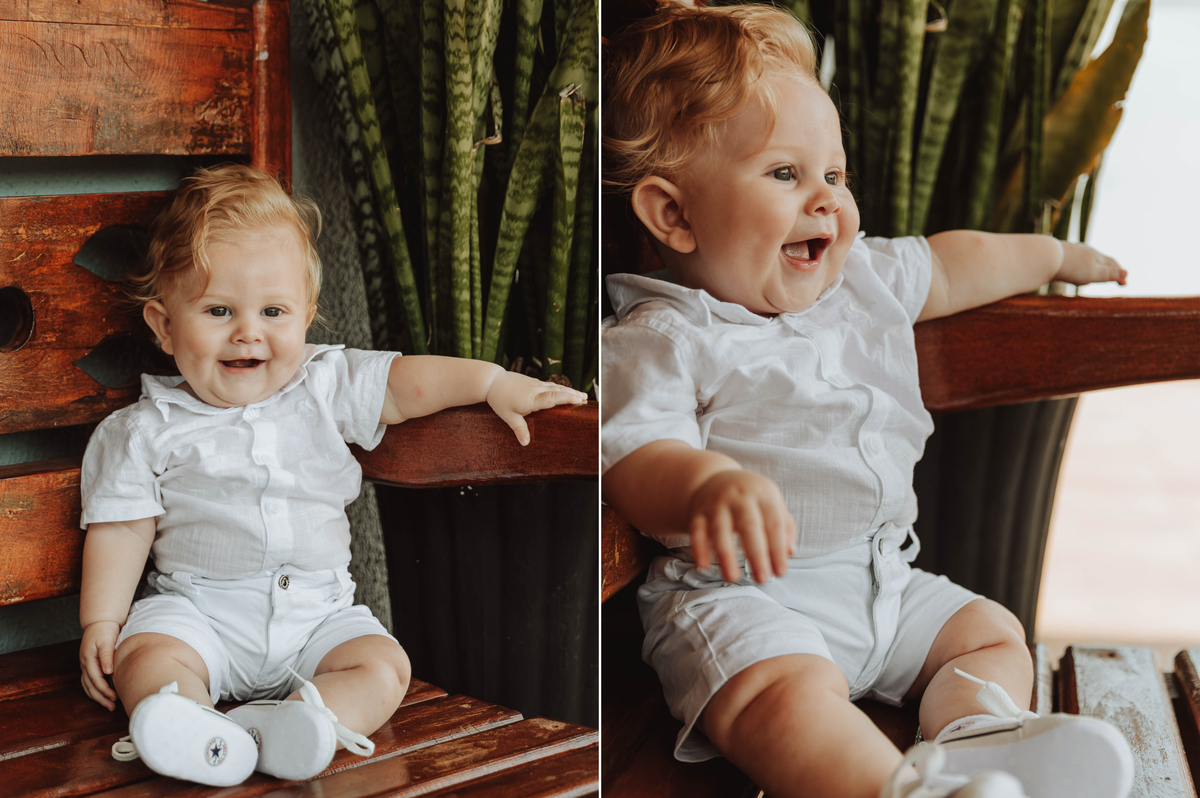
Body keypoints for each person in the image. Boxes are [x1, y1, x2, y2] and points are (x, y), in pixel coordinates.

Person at [601, 5, 1132, 798]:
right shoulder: (667, 334)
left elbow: (954, 266)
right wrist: (704, 483)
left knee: (990, 635)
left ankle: (973, 737)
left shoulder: (860, 282)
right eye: (786, 174)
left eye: (835, 175)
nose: (825, 200)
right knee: (779, 698)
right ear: (673, 213)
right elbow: (635, 454)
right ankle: (899, 791)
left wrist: (1054, 255)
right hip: (743, 601)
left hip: (881, 579)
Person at [77, 164, 587, 786]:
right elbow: (123, 531)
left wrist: (490, 381)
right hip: (199, 611)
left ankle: (303, 721)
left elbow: (404, 385)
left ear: (308, 314)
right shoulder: (145, 428)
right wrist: (102, 623)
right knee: (147, 655)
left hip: (317, 614)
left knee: (383, 665)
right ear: (163, 325)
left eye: (273, 310)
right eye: (218, 310)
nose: (248, 332)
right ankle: (188, 722)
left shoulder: (325, 384)